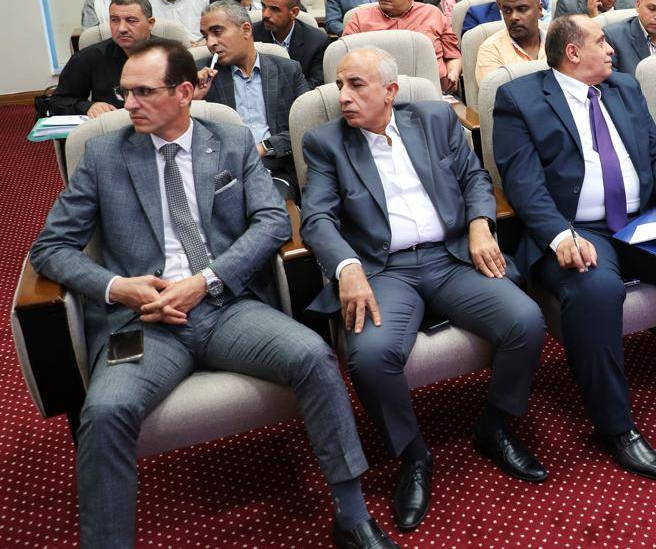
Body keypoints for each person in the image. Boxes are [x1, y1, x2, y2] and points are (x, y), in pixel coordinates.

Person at [30, 38, 392, 549]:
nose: (128, 104)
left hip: (227, 306)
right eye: (125, 92)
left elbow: (272, 221)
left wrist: (208, 279)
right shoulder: (104, 155)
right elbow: (50, 248)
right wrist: (118, 287)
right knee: (105, 411)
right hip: (147, 321)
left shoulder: (230, 141)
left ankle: (352, 515)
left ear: (183, 92)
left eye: (143, 92)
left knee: (314, 356)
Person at [301, 48, 547, 531]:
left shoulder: (435, 118)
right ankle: (413, 455)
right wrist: (346, 266)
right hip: (383, 270)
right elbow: (316, 218)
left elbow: (475, 178)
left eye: (357, 85)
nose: (344, 96)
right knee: (370, 357)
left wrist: (479, 224)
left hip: (450, 256)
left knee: (526, 321)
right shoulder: (325, 143)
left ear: (390, 91)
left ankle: (494, 425)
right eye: (340, 86)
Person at [493, 16, 656, 478]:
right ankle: (617, 427)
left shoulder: (624, 87)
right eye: (601, 41)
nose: (612, 49)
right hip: (575, 229)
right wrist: (559, 235)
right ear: (573, 52)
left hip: (639, 221)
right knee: (596, 291)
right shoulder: (519, 99)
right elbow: (522, 183)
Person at [195, 0, 308, 194]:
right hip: (224, 174)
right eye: (206, 36)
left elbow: (305, 127)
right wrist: (194, 100)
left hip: (277, 168)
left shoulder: (288, 70)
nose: (210, 43)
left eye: (217, 32)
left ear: (246, 30)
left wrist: (264, 147)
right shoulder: (200, 76)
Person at [344, 0, 463, 94]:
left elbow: (453, 55)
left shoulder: (433, 14)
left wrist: (453, 73)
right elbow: (345, 64)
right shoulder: (360, 19)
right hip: (376, 95)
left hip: (435, 91)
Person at [51, 0, 155, 117]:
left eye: (131, 21)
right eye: (115, 20)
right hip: (111, 126)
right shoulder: (89, 57)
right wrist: (88, 106)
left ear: (150, 23)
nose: (121, 28)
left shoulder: (171, 55)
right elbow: (58, 102)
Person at [254, 0, 328, 88]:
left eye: (275, 9)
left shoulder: (317, 41)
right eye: (264, 6)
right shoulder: (250, 35)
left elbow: (315, 83)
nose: (265, 14)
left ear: (294, 12)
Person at [474, 0, 546, 84]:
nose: (513, 17)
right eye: (507, 11)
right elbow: (497, 92)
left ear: (539, 10)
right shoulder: (491, 49)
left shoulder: (558, 42)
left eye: (522, 9)